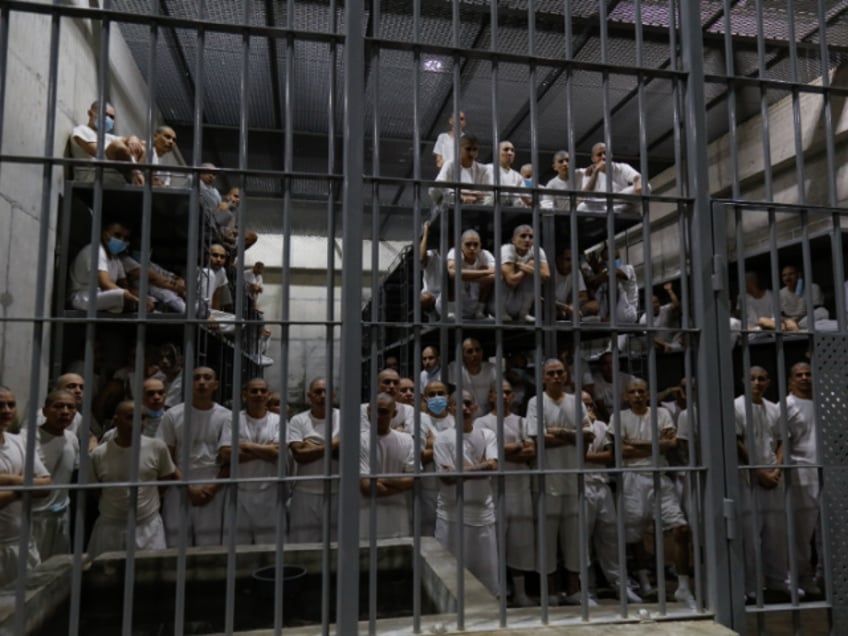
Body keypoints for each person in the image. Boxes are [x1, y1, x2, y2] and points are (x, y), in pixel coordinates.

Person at [617, 379, 695, 608]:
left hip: (658, 475)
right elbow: (621, 450)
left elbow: (670, 444)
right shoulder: (619, 418)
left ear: (648, 393)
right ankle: (643, 581)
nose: (638, 395)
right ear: (626, 396)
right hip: (631, 477)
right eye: (633, 391)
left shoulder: (660, 413)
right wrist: (655, 443)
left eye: (642, 391)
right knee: (633, 534)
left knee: (680, 528)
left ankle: (683, 587)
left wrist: (636, 443)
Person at [525, 359, 594, 606]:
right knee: (547, 537)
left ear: (567, 375)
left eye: (559, 372)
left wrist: (559, 432)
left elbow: (590, 433)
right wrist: (573, 436)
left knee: (574, 537)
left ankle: (575, 589)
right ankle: (550, 590)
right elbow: (538, 439)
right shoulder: (536, 402)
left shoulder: (576, 401)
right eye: (550, 373)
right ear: (543, 377)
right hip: (547, 479)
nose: (556, 377)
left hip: (573, 478)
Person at [87, 400, 177, 556]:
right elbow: (96, 490)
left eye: (142, 418)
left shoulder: (157, 447)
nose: (138, 423)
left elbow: (164, 481)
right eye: (130, 417)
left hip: (147, 526)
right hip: (110, 526)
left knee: (148, 576)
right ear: (116, 421)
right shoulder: (99, 454)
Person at [475, 380, 535, 606]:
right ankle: (497, 590)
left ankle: (520, 592)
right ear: (490, 396)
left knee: (521, 542)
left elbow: (531, 451)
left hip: (520, 487)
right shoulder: (481, 422)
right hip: (492, 488)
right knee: (493, 541)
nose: (503, 396)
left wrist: (499, 451)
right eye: (498, 392)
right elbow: (484, 455)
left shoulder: (522, 422)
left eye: (508, 392)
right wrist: (515, 447)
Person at [433, 390, 499, 596]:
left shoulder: (488, 434)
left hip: (481, 512)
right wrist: (481, 467)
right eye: (457, 404)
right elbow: (447, 478)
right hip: (451, 514)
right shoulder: (442, 439)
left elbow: (493, 466)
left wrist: (461, 471)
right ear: (450, 408)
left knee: (485, 579)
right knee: (451, 579)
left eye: (468, 403)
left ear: (476, 407)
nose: (463, 408)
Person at [158, 367, 230, 547]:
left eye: (207, 378)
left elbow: (230, 459)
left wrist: (212, 487)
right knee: (176, 543)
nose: (202, 382)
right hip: (179, 482)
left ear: (216, 385)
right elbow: (166, 456)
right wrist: (188, 487)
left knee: (210, 545)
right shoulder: (172, 415)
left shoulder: (227, 417)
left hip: (213, 485)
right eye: (196, 378)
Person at [581, 391, 642, 602]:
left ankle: (620, 584)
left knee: (610, 537)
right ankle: (586, 587)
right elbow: (576, 457)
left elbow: (610, 455)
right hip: (582, 485)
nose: (588, 409)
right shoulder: (573, 427)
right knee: (583, 540)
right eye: (583, 405)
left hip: (602, 484)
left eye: (590, 404)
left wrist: (586, 457)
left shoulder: (601, 427)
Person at [734, 367, 787, 599]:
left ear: (768, 382)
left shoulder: (774, 408)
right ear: (744, 381)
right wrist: (759, 472)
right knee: (749, 535)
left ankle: (777, 581)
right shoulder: (736, 406)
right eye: (752, 379)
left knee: (775, 533)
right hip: (748, 478)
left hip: (773, 477)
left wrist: (776, 469)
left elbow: (782, 440)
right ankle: (751, 586)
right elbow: (737, 442)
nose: (757, 383)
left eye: (761, 379)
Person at [218, 378, 282, 545]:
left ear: (268, 395)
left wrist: (245, 445)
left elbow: (277, 453)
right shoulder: (233, 420)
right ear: (244, 395)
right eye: (253, 391)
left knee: (270, 549)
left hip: (269, 493)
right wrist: (264, 451)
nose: (258, 394)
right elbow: (225, 453)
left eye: (262, 391)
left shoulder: (278, 421)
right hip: (238, 492)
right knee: (235, 548)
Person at [0, 386, 51, 587]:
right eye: (0, 405)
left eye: (11, 404)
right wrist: (24, 484)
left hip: (21, 543)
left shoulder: (19, 442)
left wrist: (9, 481)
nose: (7, 410)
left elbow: (46, 485)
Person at [21, 390, 80, 561]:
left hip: (61, 516)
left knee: (57, 570)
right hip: (33, 517)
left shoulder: (71, 439)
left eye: (71, 407)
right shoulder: (26, 438)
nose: (65, 411)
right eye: (58, 406)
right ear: (45, 411)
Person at [784, 362, 821, 596]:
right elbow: (781, 443)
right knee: (802, 532)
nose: (805, 378)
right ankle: (800, 577)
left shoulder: (824, 403)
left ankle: (823, 575)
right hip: (800, 473)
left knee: (828, 530)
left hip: (826, 471)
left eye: (809, 373)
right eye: (800, 375)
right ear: (791, 380)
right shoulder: (786, 405)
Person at [288, 378, 339, 542]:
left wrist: (310, 446)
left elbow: (346, 454)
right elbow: (299, 455)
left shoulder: (344, 418)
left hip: (337, 491)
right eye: (317, 392)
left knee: (337, 545)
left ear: (333, 395)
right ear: (309, 396)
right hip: (305, 492)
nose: (322, 396)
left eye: (326, 392)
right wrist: (333, 445)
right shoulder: (298, 420)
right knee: (302, 546)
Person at [359, 393, 416, 539]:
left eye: (383, 412)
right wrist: (400, 484)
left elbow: (413, 481)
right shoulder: (359, 440)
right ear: (368, 411)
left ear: (394, 413)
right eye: (375, 411)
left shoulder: (406, 440)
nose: (378, 416)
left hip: (398, 516)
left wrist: (379, 479)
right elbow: (367, 487)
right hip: (367, 515)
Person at [68, 221, 152, 314]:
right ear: (104, 235)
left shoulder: (115, 259)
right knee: (123, 296)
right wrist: (136, 300)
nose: (121, 240)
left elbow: (125, 286)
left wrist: (144, 299)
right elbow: (105, 284)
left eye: (125, 238)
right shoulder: (95, 251)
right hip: (83, 298)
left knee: (130, 296)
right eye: (117, 235)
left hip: (101, 297)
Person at [70, 100, 146, 184]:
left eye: (112, 117)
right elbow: (100, 153)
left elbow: (128, 141)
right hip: (93, 176)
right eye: (105, 115)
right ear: (90, 113)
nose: (109, 119)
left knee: (142, 144)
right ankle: (132, 174)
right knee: (117, 145)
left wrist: (133, 138)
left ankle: (132, 175)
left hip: (114, 173)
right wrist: (134, 167)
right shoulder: (81, 130)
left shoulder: (107, 137)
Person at [417, 381, 455, 535]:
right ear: (425, 399)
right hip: (428, 486)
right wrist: (446, 446)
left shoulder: (456, 419)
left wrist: (434, 444)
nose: (437, 397)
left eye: (440, 393)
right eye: (431, 395)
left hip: (453, 484)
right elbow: (418, 456)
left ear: (447, 396)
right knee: (429, 533)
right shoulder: (420, 420)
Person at [500, 224, 550, 322]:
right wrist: (528, 268)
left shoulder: (537, 250)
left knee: (534, 274)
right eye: (523, 236)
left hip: (518, 304)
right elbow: (511, 281)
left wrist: (526, 267)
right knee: (501, 275)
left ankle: (524, 313)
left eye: (531, 237)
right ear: (513, 240)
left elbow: (546, 276)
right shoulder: (507, 249)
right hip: (499, 304)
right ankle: (501, 312)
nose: (527, 240)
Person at [441, 229, 495, 320]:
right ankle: (451, 311)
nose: (472, 248)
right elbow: (452, 272)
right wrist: (484, 273)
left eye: (475, 244)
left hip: (472, 307)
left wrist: (464, 276)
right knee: (449, 275)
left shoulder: (485, 254)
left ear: (480, 245)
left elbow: (495, 275)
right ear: (461, 245)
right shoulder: (455, 252)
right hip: (450, 307)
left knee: (486, 270)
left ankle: (479, 311)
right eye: (468, 244)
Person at [577, 142, 644, 213]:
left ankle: (609, 205)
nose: (603, 157)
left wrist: (638, 183)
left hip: (621, 204)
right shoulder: (589, 172)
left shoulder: (621, 167)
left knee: (646, 186)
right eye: (599, 155)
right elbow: (583, 196)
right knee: (581, 207)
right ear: (593, 159)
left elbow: (638, 177)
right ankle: (608, 208)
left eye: (606, 153)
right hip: (602, 207)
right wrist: (595, 172)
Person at [429, 132, 492, 205]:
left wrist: (474, 197)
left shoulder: (483, 169)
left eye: (475, 149)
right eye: (468, 149)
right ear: (459, 149)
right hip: (451, 208)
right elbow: (438, 186)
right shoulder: (450, 165)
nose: (472, 153)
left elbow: (488, 193)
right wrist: (459, 196)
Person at [102, 377, 167, 441]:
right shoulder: (128, 423)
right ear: (141, 396)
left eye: (160, 393)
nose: (157, 397)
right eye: (150, 393)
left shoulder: (171, 419)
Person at [446, 338, 498, 414]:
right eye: (470, 351)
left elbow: (498, 396)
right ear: (462, 355)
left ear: (482, 352)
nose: (475, 354)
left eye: (477, 350)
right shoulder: (455, 368)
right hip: (462, 417)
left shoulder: (492, 369)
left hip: (486, 418)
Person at [553, 247, 599, 321]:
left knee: (594, 305)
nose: (571, 264)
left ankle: (570, 317)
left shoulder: (576, 272)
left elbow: (583, 295)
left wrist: (573, 305)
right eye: (568, 259)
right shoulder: (550, 271)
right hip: (552, 307)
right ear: (558, 260)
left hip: (567, 308)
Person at [591, 352, 638, 423]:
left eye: (612, 362)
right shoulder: (595, 381)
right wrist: (612, 424)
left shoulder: (629, 379)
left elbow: (636, 402)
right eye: (605, 363)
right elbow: (601, 408)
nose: (610, 367)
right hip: (606, 420)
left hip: (628, 418)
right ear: (600, 367)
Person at [638, 282, 682, 352]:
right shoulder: (644, 319)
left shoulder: (664, 309)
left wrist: (670, 290)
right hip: (660, 346)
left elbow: (676, 305)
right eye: (652, 303)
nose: (655, 305)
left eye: (656, 302)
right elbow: (649, 337)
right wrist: (664, 345)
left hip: (674, 343)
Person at [487, 140, 529, 207]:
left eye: (512, 150)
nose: (510, 153)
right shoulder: (487, 169)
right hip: (489, 210)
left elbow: (525, 198)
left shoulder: (517, 176)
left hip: (512, 213)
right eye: (506, 149)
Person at [419, 221, 441, 315]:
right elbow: (421, 258)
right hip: (430, 294)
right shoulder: (432, 254)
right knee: (424, 298)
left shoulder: (453, 255)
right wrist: (425, 234)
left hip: (447, 294)